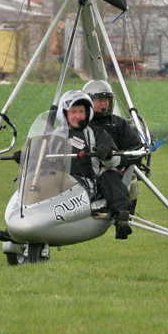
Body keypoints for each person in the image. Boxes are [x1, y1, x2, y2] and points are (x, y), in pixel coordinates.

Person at [57, 90, 132, 239]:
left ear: (87, 113)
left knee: (110, 175)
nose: (78, 116)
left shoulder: (97, 133)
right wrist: (26, 155)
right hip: (59, 184)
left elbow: (114, 162)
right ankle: (21, 220)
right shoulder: (54, 134)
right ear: (64, 113)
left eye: (81, 111)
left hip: (89, 185)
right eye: (73, 112)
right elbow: (39, 158)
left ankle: (122, 219)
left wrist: (108, 154)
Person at [83, 79, 147, 211]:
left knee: (119, 176)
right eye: (99, 100)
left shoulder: (119, 123)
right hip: (86, 170)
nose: (103, 104)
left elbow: (136, 149)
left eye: (106, 100)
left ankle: (123, 215)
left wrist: (116, 159)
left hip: (113, 169)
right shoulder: (81, 123)